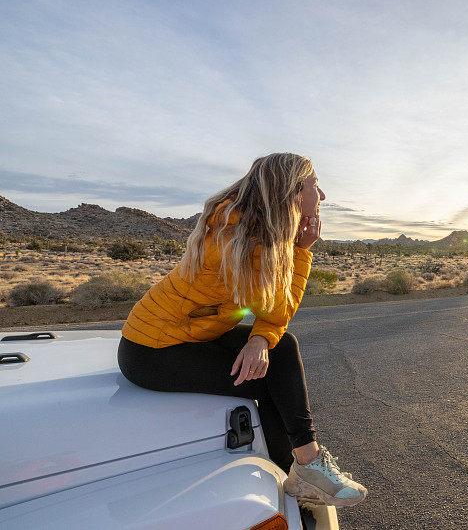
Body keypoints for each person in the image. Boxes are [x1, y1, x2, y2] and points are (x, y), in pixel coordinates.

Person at [117, 152, 367, 507]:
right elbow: (277, 308)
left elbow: (273, 319)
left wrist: (261, 339)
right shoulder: (241, 238)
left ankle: (301, 472)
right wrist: (302, 252)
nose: (321, 195)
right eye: (314, 185)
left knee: (278, 350)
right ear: (294, 192)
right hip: (152, 351)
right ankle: (303, 470)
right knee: (262, 376)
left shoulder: (248, 225)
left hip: (194, 332)